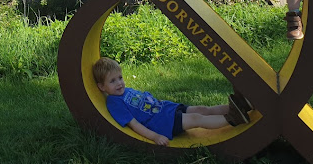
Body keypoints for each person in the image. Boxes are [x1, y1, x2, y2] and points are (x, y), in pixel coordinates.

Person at [92, 57, 252, 146]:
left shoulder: (125, 91)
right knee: (197, 119)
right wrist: (155, 137)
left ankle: (240, 105)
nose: (119, 83)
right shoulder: (114, 103)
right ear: (101, 87)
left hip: (166, 109)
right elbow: (134, 125)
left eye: (120, 78)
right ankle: (232, 118)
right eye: (112, 81)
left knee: (202, 109)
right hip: (163, 123)